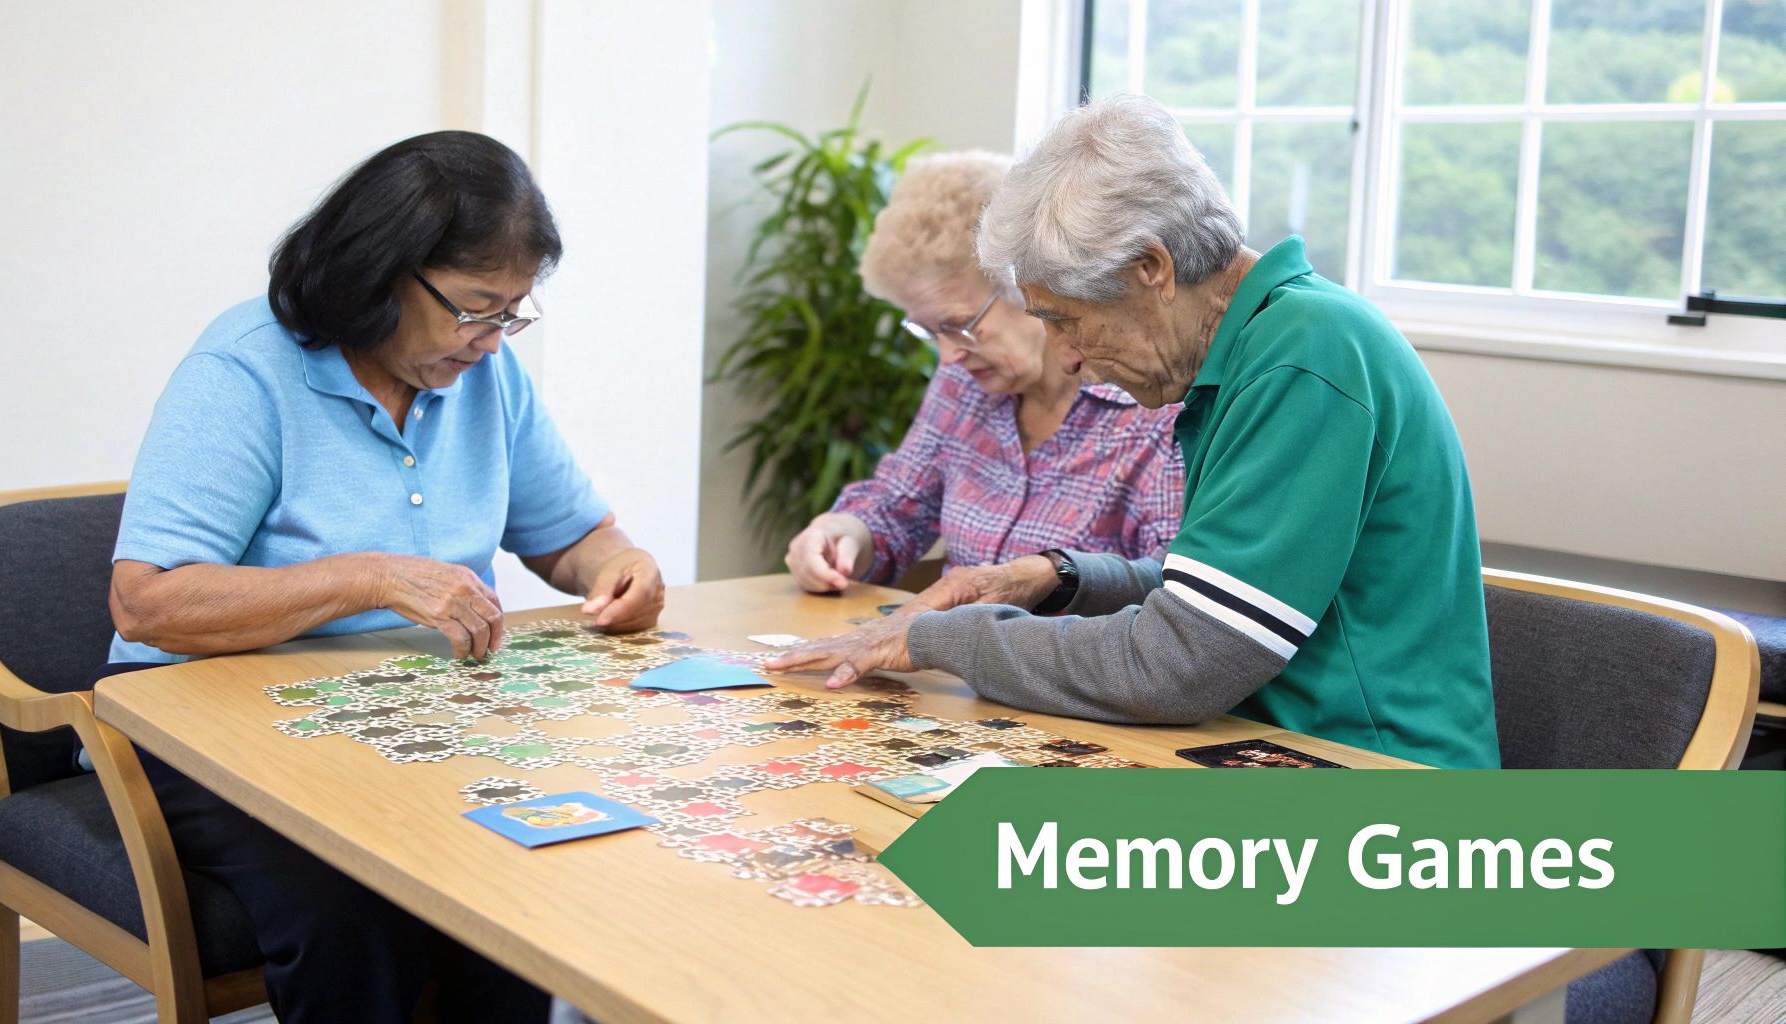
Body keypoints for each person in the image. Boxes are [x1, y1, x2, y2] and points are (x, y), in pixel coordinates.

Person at [105, 130, 664, 1022]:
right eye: (476, 308)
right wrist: (366, 577)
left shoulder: (488, 377)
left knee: (525, 875)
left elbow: (573, 535)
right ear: (380, 272)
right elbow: (148, 601)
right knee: (349, 911)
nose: (491, 340)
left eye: (513, 312)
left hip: (416, 712)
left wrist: (621, 566)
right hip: (208, 721)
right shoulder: (245, 367)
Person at [770, 95, 1500, 773]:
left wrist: (939, 639)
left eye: (1065, 318)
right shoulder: (1252, 349)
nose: (1066, 357)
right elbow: (1219, 600)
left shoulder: (1305, 357)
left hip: (1374, 784)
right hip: (1250, 749)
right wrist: (1058, 577)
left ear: (1152, 267)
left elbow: (1181, 662)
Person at [784, 151, 1186, 593]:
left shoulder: (1152, 411)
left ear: (1032, 292)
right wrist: (844, 532)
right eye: (930, 332)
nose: (947, 357)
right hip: (948, 659)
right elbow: (898, 506)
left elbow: (1168, 596)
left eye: (959, 326)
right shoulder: (964, 384)